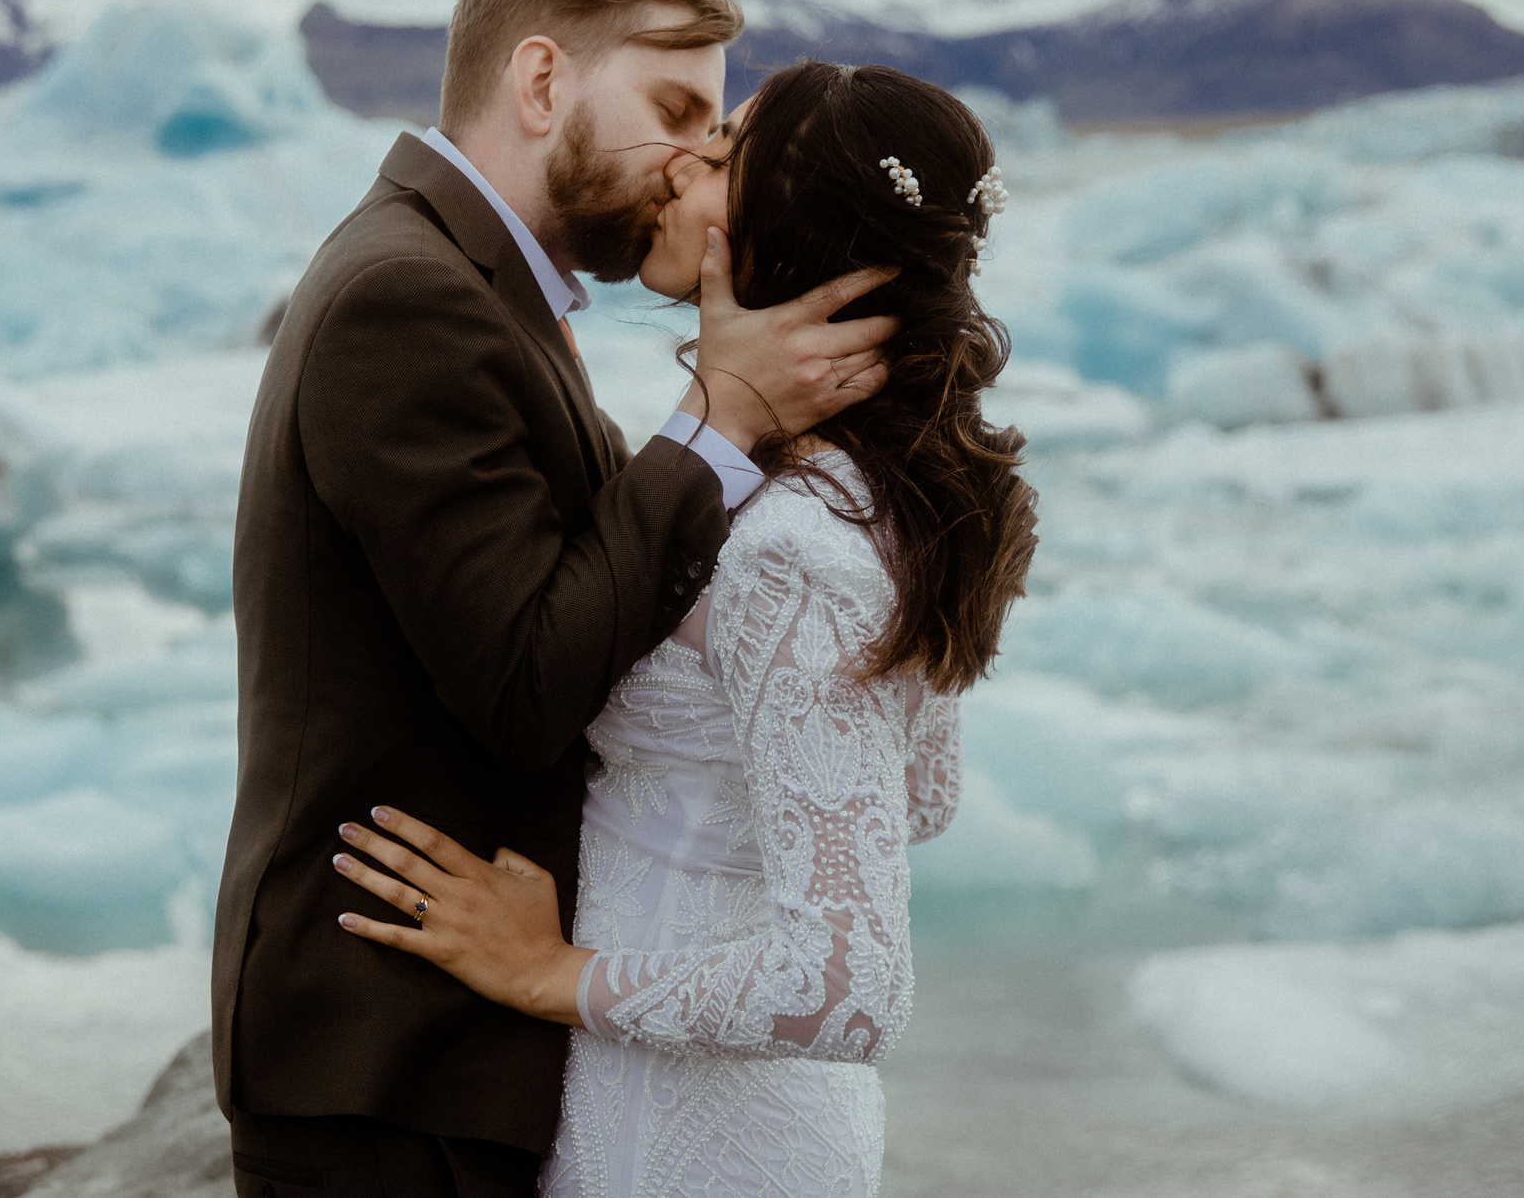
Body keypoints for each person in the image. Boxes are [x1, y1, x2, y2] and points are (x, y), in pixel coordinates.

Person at [216, 0, 904, 1198]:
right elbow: (527, 684)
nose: (693, 159)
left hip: (437, 1043)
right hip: (387, 1046)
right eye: (674, 111)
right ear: (541, 83)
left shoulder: (476, 285)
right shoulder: (408, 296)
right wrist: (719, 419)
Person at [333, 60, 1038, 1196]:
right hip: (683, 1102)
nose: (679, 164)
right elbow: (918, 794)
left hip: (700, 1136)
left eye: (723, 155)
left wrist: (549, 971)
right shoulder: (854, 497)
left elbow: (846, 989)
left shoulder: (796, 547)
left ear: (796, 232)